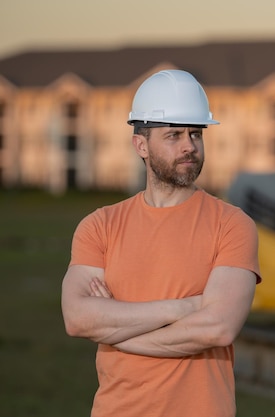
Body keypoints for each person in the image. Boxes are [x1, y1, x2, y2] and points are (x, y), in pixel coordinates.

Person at [61, 69, 261, 417]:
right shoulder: (100, 226)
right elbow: (78, 318)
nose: (189, 145)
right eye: (174, 135)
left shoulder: (232, 225)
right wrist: (183, 308)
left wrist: (117, 333)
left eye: (195, 134)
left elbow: (217, 327)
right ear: (141, 144)